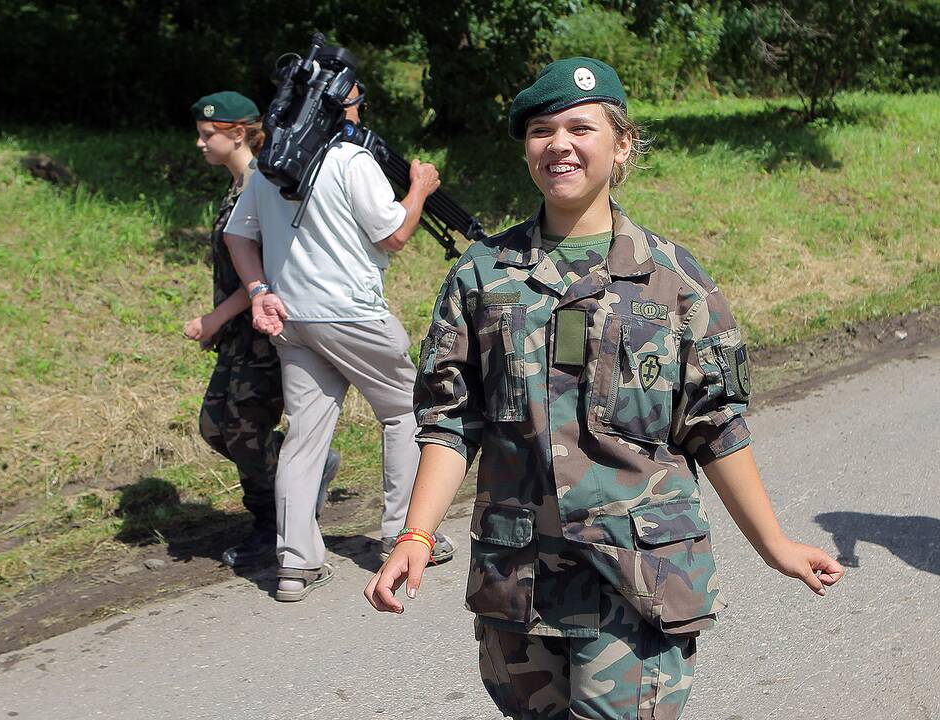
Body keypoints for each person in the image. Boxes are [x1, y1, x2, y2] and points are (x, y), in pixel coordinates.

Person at [364, 58, 845, 719]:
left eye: (580, 128)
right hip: (520, 585)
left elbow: (715, 428)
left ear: (621, 146)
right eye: (541, 130)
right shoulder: (481, 279)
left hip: (639, 581)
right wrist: (415, 537)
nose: (559, 144)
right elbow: (451, 423)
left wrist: (775, 545)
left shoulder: (675, 282)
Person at [224, 84, 455, 603]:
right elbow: (392, 235)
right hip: (351, 314)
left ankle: (295, 565)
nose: (358, 111)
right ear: (338, 110)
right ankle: (405, 534)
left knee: (305, 433)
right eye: (353, 102)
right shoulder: (351, 159)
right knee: (405, 411)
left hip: (292, 317)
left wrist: (260, 289)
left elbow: (238, 235)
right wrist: (419, 187)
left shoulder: (269, 164)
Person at [183, 91, 338, 568]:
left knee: (243, 430)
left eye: (208, 135)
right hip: (239, 332)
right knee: (216, 428)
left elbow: (265, 270)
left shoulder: (262, 182)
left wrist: (215, 317)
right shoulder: (237, 186)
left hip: (267, 331)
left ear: (237, 133)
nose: (200, 143)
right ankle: (306, 473)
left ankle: (272, 526)